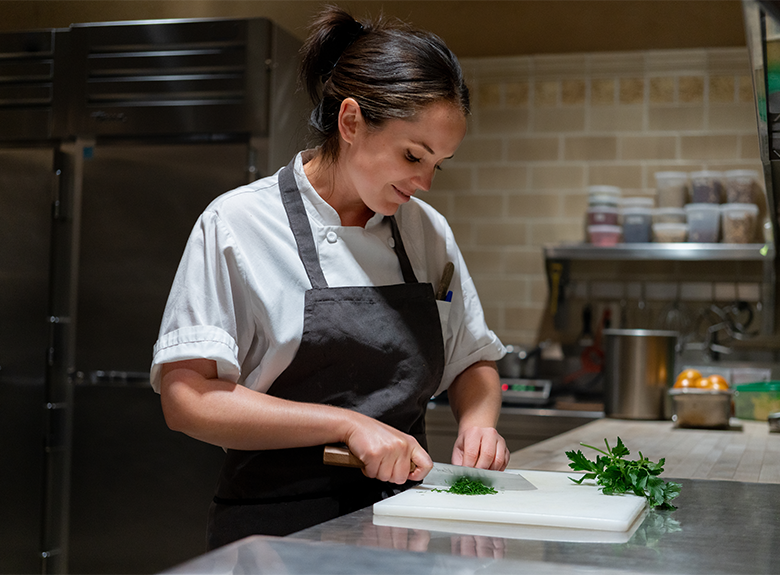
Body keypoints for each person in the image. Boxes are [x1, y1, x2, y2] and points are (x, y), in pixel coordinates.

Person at [151, 5, 508, 549]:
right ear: (350, 122)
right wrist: (345, 425)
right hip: (274, 530)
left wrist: (478, 421)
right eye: (413, 155)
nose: (425, 182)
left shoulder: (425, 232)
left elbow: (471, 360)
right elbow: (188, 398)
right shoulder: (238, 224)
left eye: (439, 163)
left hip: (404, 523)